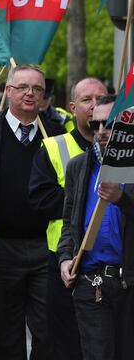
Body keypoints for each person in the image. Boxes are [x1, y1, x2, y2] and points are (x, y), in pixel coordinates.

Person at [0, 64, 65, 359]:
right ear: (8, 91)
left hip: (47, 250)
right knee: (1, 335)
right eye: (23, 87)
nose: (30, 94)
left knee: (50, 332)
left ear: (44, 95)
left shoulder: (56, 134)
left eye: (37, 89)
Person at [29, 77, 106, 359]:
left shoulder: (122, 153)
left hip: (110, 263)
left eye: (101, 99)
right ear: (73, 107)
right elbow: (40, 200)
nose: (94, 107)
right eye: (87, 100)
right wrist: (82, 195)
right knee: (64, 343)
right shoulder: (54, 148)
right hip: (64, 262)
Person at [58, 95, 134, 360]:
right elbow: (69, 223)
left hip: (129, 282)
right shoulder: (79, 167)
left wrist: (122, 200)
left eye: (109, 124)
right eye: (95, 125)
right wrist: (65, 258)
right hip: (93, 283)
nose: (101, 131)